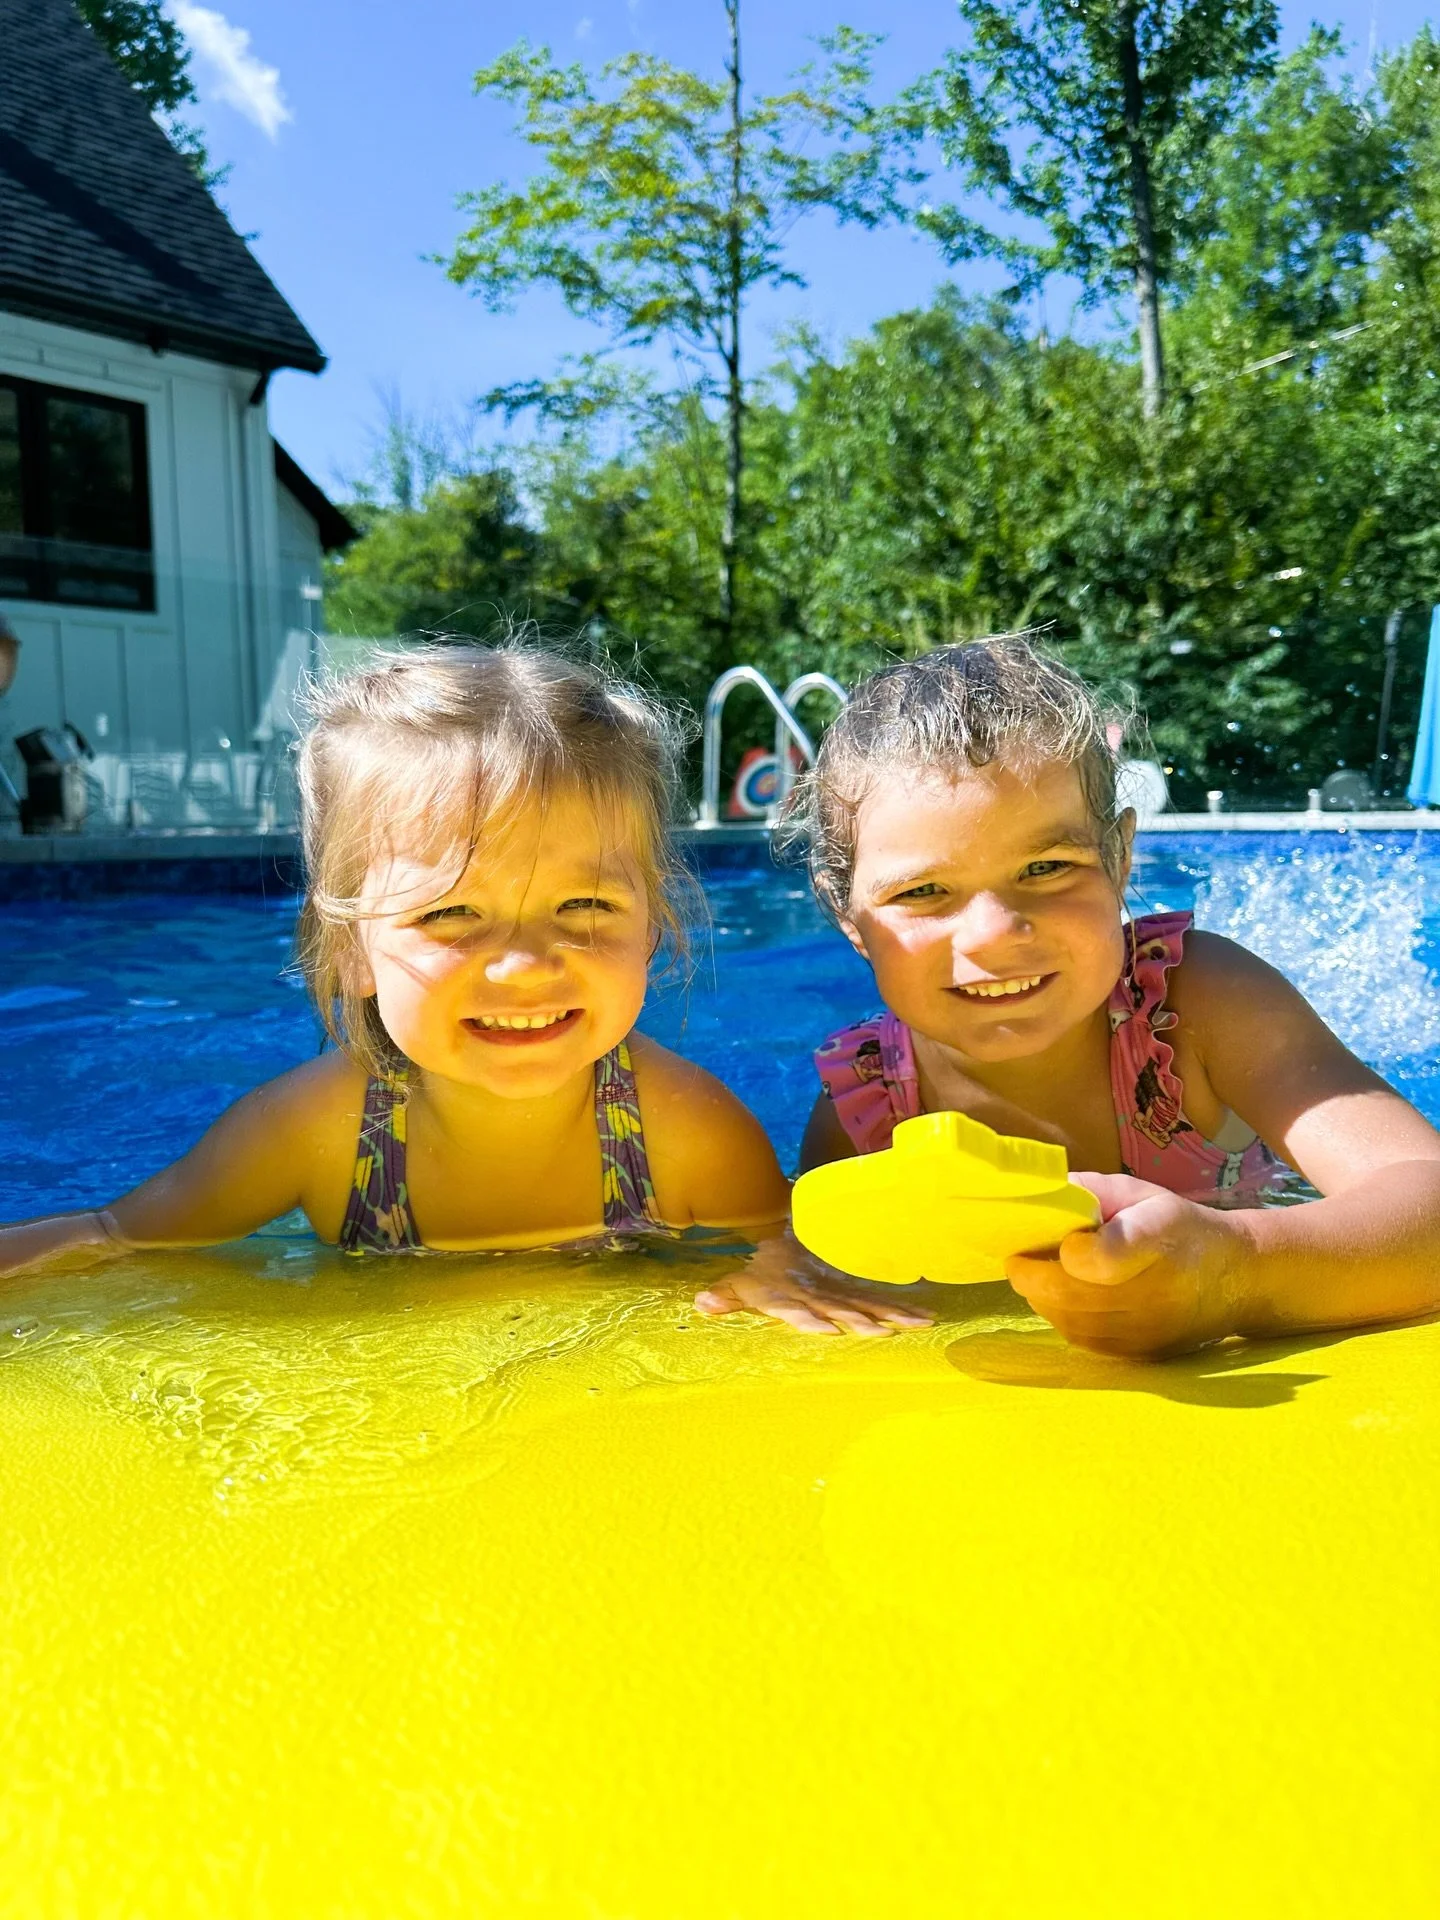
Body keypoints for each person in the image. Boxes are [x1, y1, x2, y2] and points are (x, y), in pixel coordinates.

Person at [0, 643, 923, 1335]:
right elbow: (120, 1233)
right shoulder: (315, 1131)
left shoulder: (683, 1127)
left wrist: (771, 1269)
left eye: (585, 906)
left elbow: (778, 1240)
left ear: (653, 927)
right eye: (450, 916)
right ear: (353, 948)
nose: (525, 964)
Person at [701, 636, 1440, 1355]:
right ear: (848, 918)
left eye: (1048, 867)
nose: (994, 933)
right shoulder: (866, 1108)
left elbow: (1425, 1197)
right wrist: (787, 1267)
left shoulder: (1200, 1007)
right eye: (924, 891)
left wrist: (1238, 1270)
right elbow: (829, 1263)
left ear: (1119, 857)